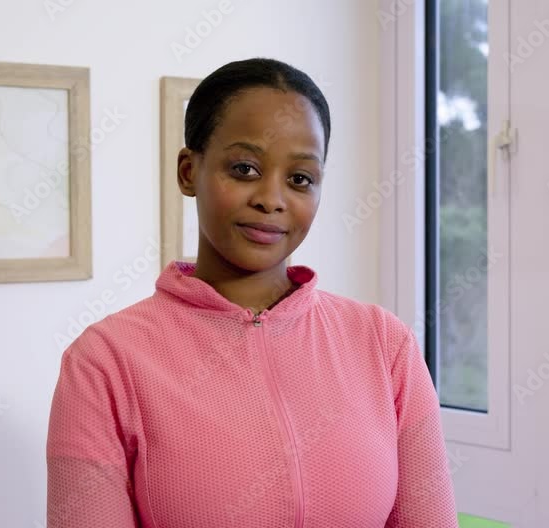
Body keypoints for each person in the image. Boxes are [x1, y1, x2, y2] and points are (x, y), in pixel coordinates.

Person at [45, 57, 459, 527]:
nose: (271, 199)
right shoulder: (105, 362)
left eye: (300, 178)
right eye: (244, 169)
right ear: (188, 171)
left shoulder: (384, 345)